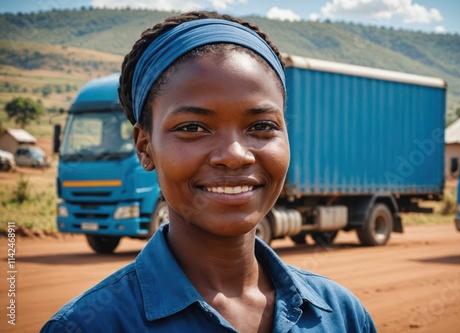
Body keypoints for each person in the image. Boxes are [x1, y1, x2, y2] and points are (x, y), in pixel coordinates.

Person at [41, 11, 377, 332]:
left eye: (261, 125)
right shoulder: (89, 326)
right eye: (192, 127)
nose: (234, 156)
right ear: (145, 147)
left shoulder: (343, 317)